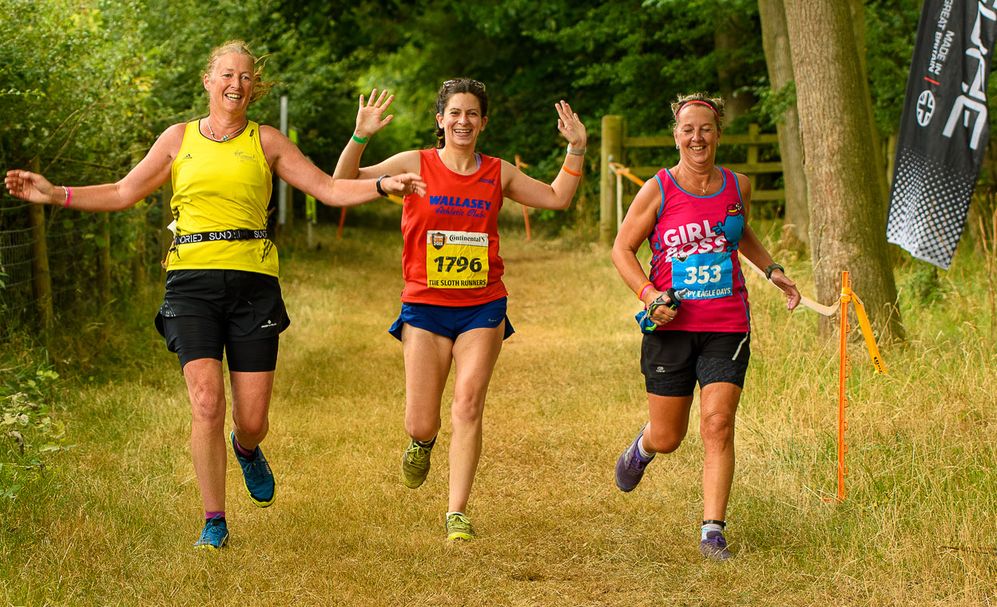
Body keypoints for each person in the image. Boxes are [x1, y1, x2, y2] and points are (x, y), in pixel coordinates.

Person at [4, 40, 425, 550]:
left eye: (246, 77)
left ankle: (246, 448)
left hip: (253, 285)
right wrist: (55, 194)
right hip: (191, 284)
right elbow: (122, 192)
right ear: (207, 81)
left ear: (255, 87)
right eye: (227, 74)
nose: (236, 84)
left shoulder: (267, 141)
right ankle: (214, 520)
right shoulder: (177, 139)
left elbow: (329, 189)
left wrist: (383, 186)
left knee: (251, 420)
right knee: (206, 401)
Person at [333, 80, 586, 541]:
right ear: (440, 120)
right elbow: (342, 182)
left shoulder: (498, 172)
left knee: (468, 404)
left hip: (482, 305)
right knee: (421, 419)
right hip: (425, 306)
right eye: (455, 113)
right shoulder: (416, 163)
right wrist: (360, 135)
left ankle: (457, 512)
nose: (463, 121)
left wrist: (577, 149)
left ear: (483, 122)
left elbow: (556, 197)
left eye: (472, 114)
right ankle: (422, 442)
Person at [610, 92, 800, 561]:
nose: (697, 137)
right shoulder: (658, 189)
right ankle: (643, 447)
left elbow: (739, 232)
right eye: (688, 129)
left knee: (718, 424)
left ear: (717, 134)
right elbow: (621, 249)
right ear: (676, 135)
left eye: (706, 129)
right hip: (671, 327)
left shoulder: (739, 186)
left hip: (726, 323)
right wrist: (650, 296)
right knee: (669, 436)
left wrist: (771, 269)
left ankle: (712, 532)